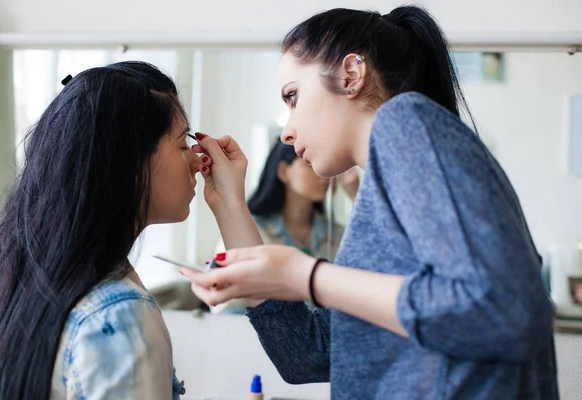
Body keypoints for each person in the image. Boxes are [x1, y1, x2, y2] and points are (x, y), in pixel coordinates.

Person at [181, 6, 558, 400]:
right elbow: (305, 354)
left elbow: (506, 312)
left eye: (293, 96)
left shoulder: (406, 121)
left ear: (352, 74)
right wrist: (229, 205)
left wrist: (307, 276)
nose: (287, 132)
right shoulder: (381, 185)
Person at [0, 62, 200, 399]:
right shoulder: (118, 315)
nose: (198, 160)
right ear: (132, 165)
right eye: (182, 145)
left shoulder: (4, 274)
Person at [211, 139, 357, 313]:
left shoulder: (339, 235)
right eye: (309, 163)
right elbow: (227, 306)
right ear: (283, 171)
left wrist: (356, 194)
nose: (323, 172)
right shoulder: (251, 232)